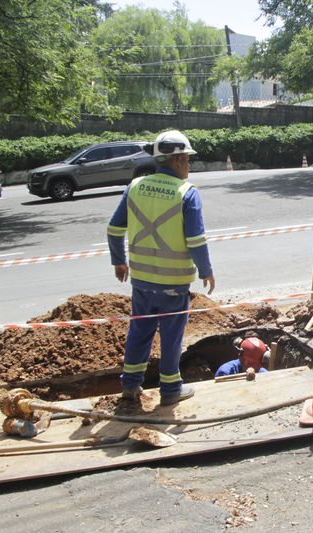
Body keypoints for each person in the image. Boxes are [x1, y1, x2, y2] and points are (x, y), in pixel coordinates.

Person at [107, 130, 215, 405]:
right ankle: (170, 391)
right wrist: (206, 270)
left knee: (139, 332)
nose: (189, 165)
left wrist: (119, 260)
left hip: (141, 281)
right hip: (173, 284)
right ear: (177, 159)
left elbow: (114, 228)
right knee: (171, 337)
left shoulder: (135, 186)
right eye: (187, 159)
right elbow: (195, 240)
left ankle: (130, 387)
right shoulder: (186, 193)